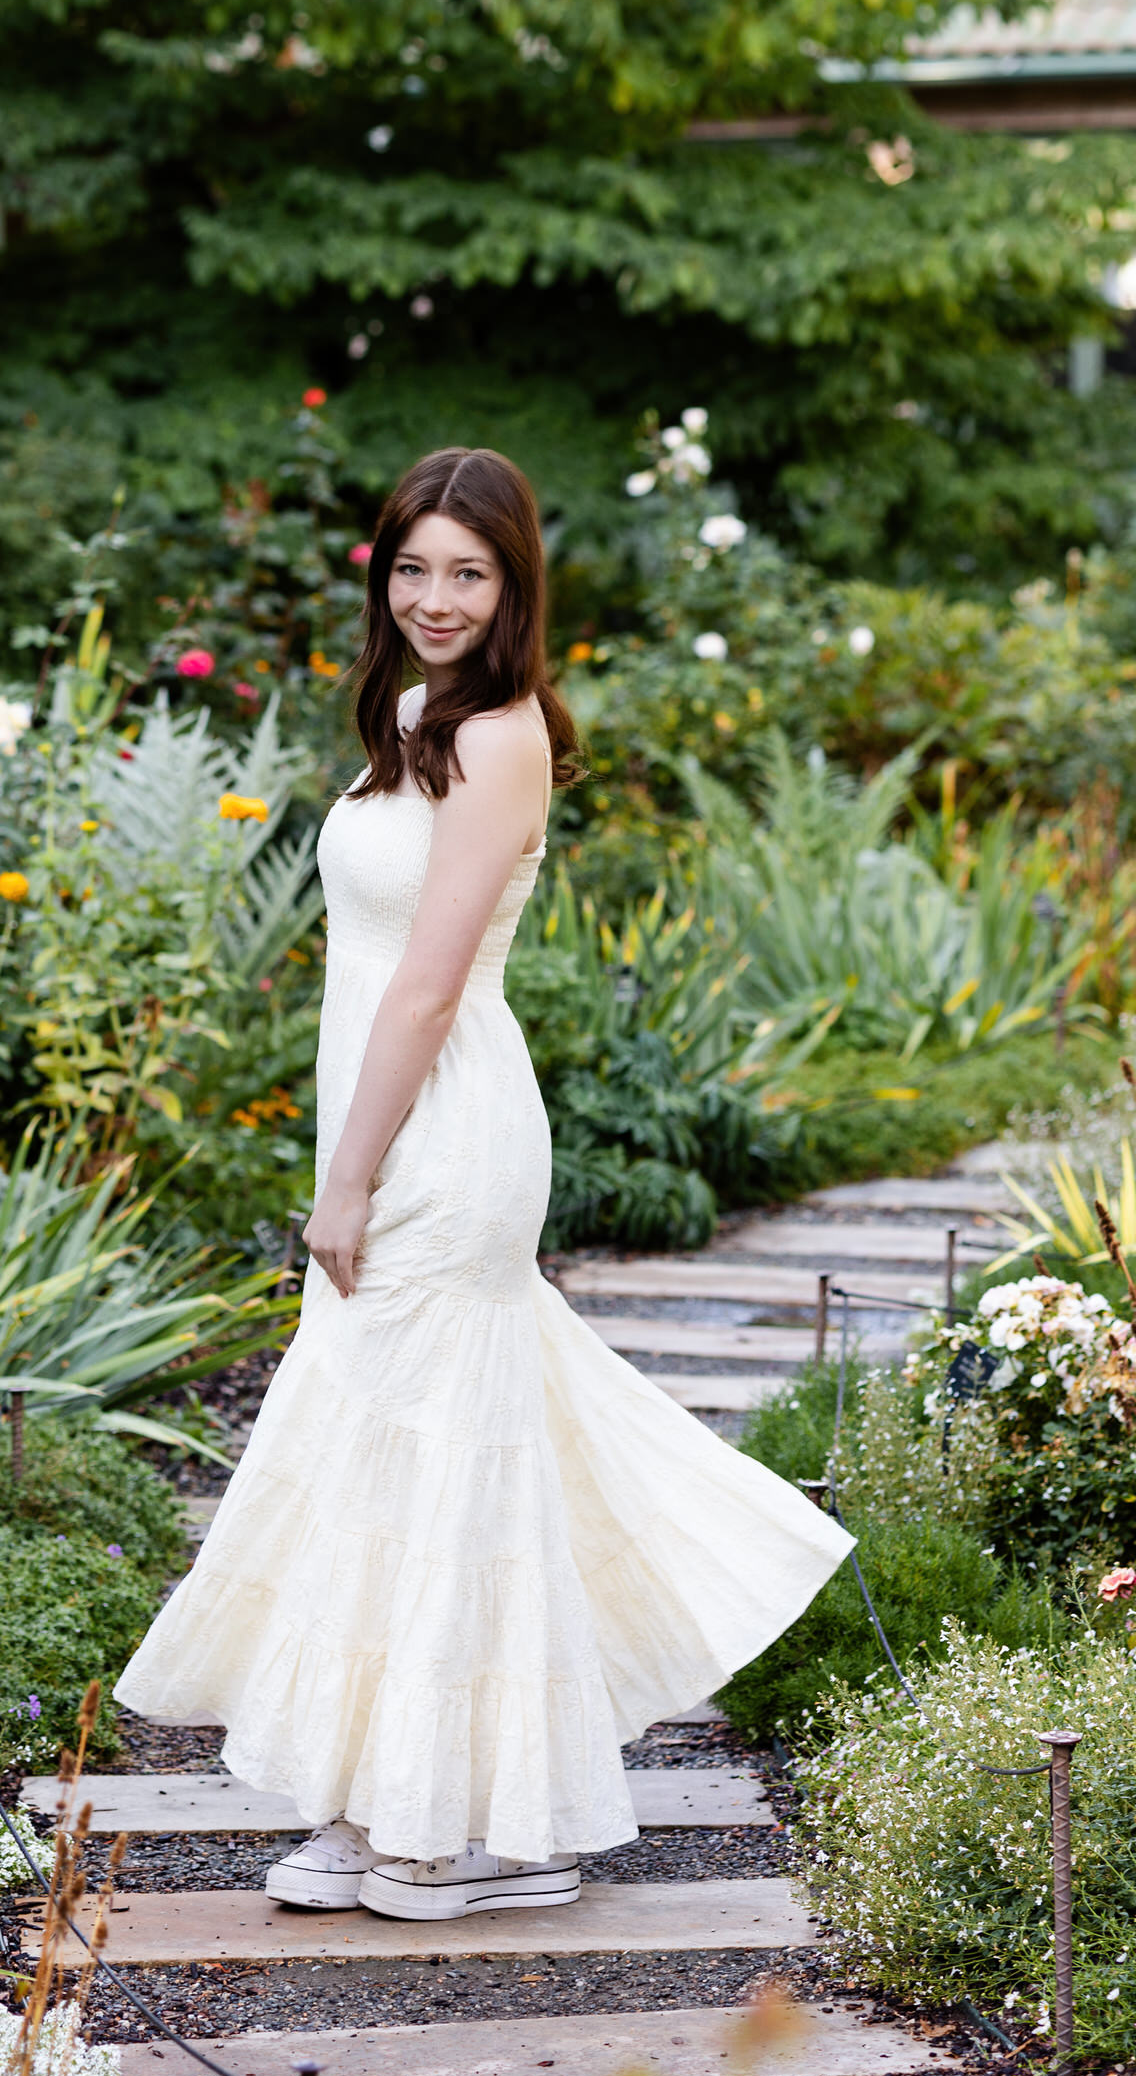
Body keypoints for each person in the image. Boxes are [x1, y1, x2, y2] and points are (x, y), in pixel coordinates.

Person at [114, 445, 853, 1920]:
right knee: (378, 1454)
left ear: (513, 587)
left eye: (469, 572)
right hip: (389, 1120)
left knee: (433, 1456)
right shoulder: (407, 718)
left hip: (442, 1138)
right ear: (383, 574)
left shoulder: (501, 734)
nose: (436, 596)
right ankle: (382, 1795)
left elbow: (430, 991)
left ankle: (447, 1835)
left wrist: (346, 1181)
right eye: (414, 568)